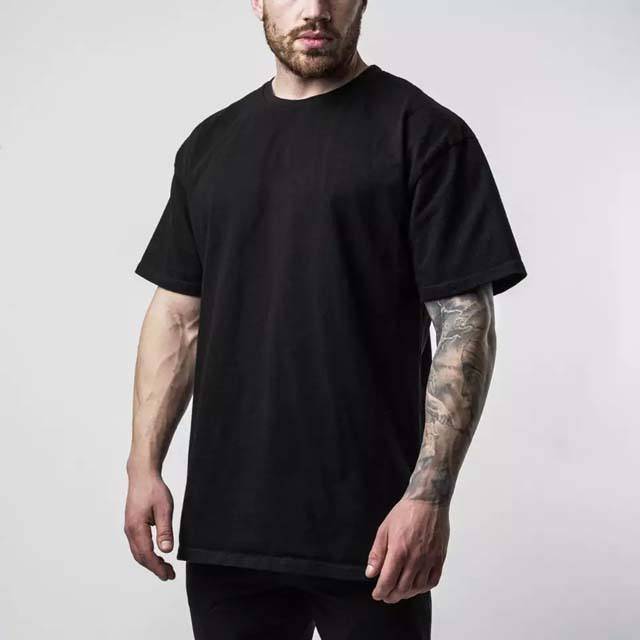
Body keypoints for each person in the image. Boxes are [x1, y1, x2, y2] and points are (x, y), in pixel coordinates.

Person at [124, 1, 527, 638]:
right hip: (229, 532)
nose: (314, 10)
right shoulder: (210, 145)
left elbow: (464, 326)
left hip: (373, 536)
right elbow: (177, 316)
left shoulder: (425, 134)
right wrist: (143, 467)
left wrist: (428, 497)